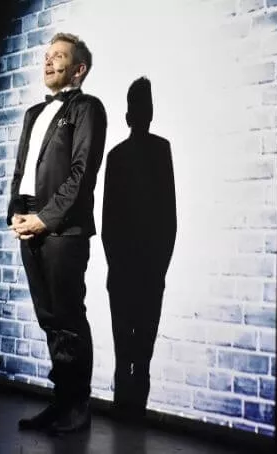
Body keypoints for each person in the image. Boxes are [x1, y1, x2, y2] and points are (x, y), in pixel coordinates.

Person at [6, 32, 107, 434]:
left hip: (63, 228)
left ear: (79, 68)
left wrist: (45, 219)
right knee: (49, 318)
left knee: (68, 318)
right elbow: (21, 169)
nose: (48, 61)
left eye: (59, 56)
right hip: (29, 221)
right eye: (47, 55)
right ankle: (61, 402)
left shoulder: (87, 108)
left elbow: (82, 174)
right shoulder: (34, 112)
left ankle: (77, 408)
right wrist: (16, 213)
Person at [102, 77, 176, 421]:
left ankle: (124, 418)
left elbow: (109, 222)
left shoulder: (118, 156)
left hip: (128, 269)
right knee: (140, 354)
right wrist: (158, 266)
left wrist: (117, 265)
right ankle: (133, 420)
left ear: (128, 115)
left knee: (128, 354)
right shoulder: (160, 151)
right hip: (145, 269)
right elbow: (168, 218)